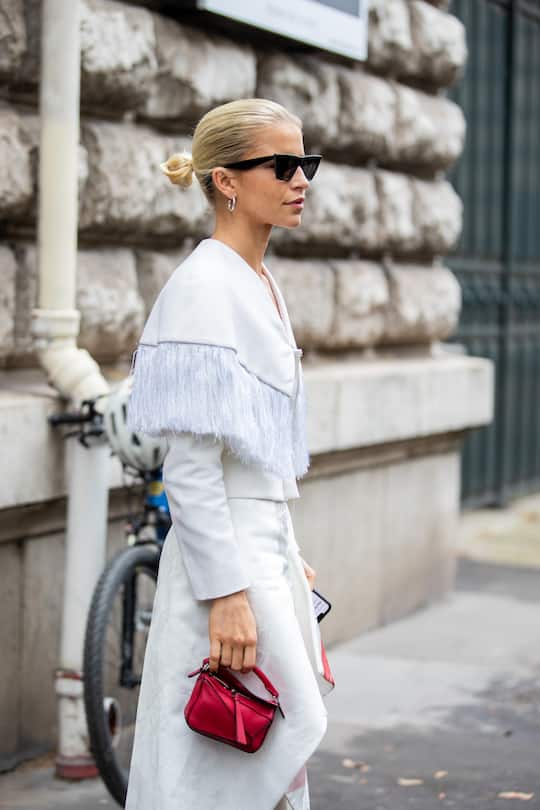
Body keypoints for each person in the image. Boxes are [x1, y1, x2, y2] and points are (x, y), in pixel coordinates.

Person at [125, 98, 334, 810]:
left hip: (260, 548)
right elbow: (189, 466)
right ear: (226, 181)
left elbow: (259, 448)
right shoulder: (206, 285)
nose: (301, 179)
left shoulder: (257, 281)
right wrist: (227, 597)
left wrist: (287, 545)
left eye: (305, 163)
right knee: (221, 761)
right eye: (282, 165)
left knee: (264, 750)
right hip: (228, 562)